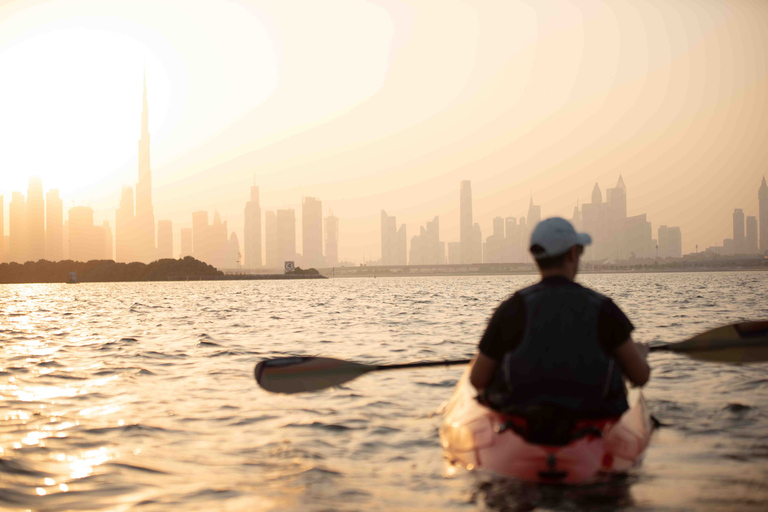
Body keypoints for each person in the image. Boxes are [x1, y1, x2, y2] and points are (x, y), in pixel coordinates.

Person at [469, 217, 650, 422]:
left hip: (525, 421)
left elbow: (478, 379)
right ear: (573, 253)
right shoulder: (604, 309)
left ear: (535, 257)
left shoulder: (512, 308)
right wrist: (640, 355)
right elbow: (640, 377)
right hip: (594, 420)